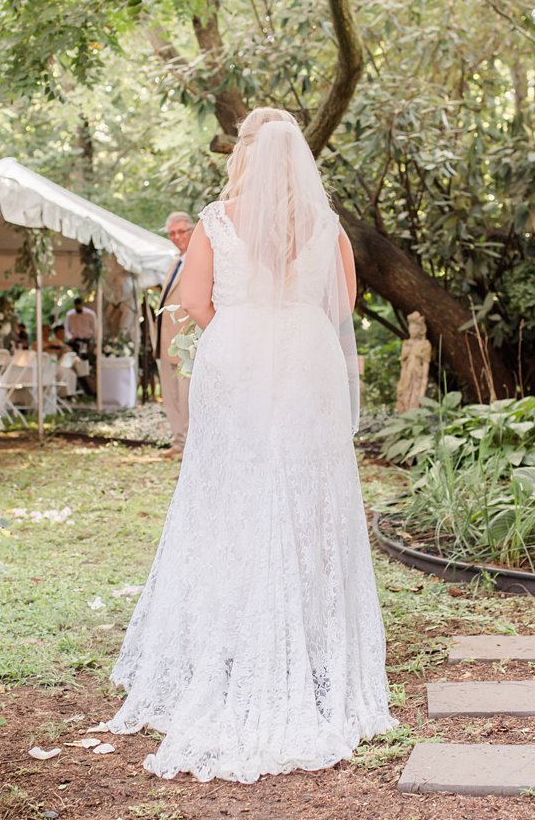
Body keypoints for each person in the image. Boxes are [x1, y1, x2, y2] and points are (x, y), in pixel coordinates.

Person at [105, 107, 396, 783]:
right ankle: (309, 640)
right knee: (302, 488)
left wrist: (243, 324)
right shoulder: (328, 227)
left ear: (246, 154)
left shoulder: (216, 220)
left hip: (235, 357)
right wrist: (288, 317)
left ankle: (232, 636)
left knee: (230, 490)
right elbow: (341, 307)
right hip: (306, 358)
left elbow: (197, 301)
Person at [149, 211, 195, 458]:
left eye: (181, 232)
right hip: (165, 341)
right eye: (172, 233)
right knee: (170, 395)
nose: (177, 237)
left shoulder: (197, 261)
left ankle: (188, 445)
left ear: (192, 231)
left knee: (186, 396)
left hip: (185, 342)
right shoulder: (175, 262)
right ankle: (178, 442)